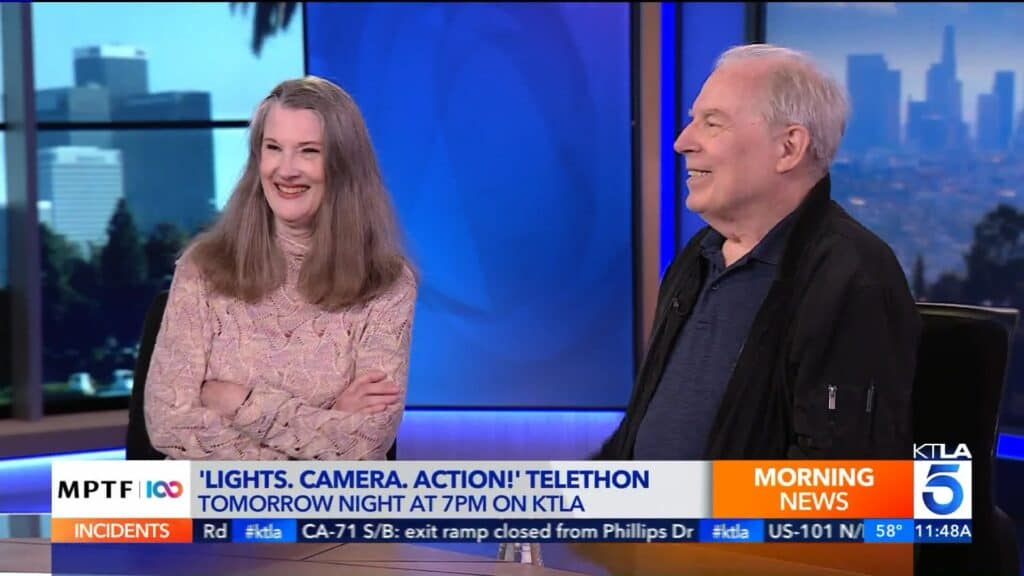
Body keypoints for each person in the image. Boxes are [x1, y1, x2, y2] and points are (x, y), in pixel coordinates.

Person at [597, 44, 920, 460]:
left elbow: (838, 487)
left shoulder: (852, 276)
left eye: (712, 124)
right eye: (694, 120)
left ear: (788, 148)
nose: (682, 142)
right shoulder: (699, 255)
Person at [144, 76, 417, 460]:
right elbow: (168, 426)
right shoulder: (202, 269)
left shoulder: (386, 283)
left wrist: (236, 400)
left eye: (308, 151)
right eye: (274, 148)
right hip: (212, 511)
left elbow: (366, 441)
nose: (286, 170)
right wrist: (327, 423)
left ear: (343, 166)